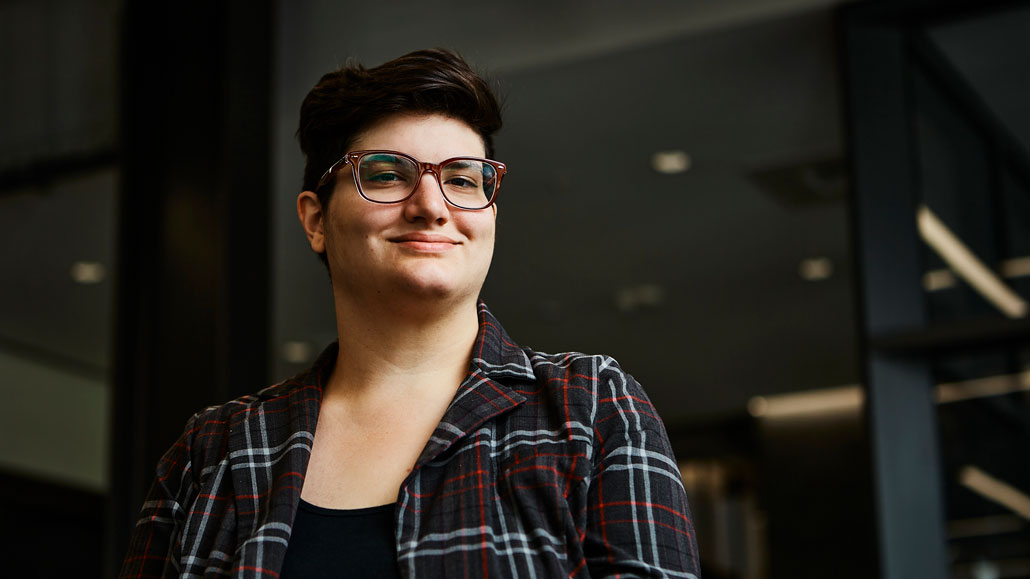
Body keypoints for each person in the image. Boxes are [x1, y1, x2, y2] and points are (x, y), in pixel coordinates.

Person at [120, 48, 700, 578]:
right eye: (386, 175)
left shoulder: (590, 407)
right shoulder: (213, 451)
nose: (431, 206)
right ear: (316, 220)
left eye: (462, 179)